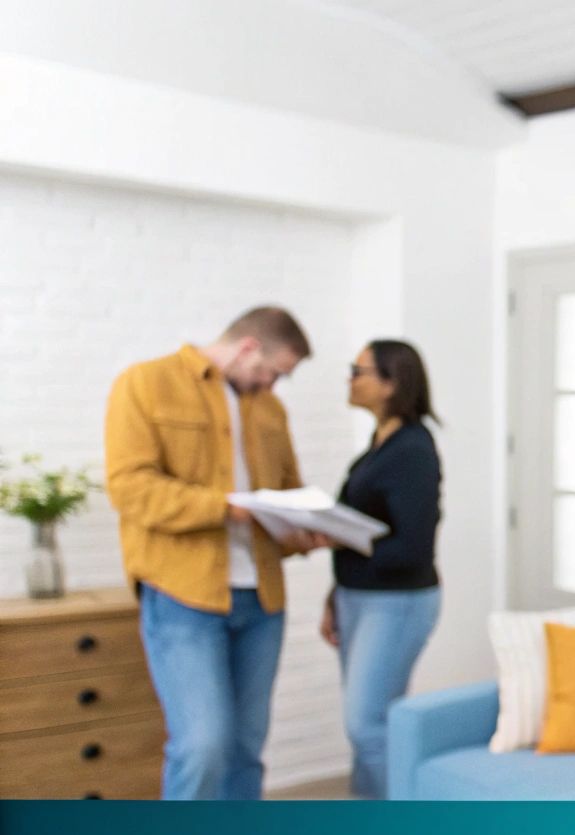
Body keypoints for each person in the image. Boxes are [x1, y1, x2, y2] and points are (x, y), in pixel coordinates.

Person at [105, 305, 327, 800]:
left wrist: (307, 528)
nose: (272, 385)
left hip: (262, 600)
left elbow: (287, 491)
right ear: (248, 347)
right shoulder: (146, 384)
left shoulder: (270, 410)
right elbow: (130, 488)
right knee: (202, 746)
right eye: (272, 372)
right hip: (184, 596)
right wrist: (225, 507)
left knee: (246, 747)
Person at [319, 340, 443, 799]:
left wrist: (339, 538)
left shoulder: (413, 450)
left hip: (397, 601)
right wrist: (335, 595)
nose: (350, 379)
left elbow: (413, 548)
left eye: (359, 371)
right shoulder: (379, 445)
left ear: (391, 383)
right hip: (357, 596)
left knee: (367, 725)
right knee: (369, 726)